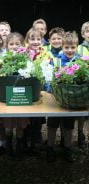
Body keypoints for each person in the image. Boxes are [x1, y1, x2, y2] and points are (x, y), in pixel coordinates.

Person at [46, 31, 79, 163]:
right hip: (56, 101)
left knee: (68, 126)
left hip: (71, 102)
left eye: (72, 47)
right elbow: (48, 80)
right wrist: (50, 89)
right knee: (52, 125)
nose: (69, 50)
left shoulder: (80, 61)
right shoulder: (57, 61)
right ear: (62, 47)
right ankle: (50, 149)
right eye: (66, 47)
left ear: (77, 47)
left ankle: (67, 149)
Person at [1, 32, 29, 159]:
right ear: (6, 46)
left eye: (17, 44)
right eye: (11, 44)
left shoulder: (26, 58)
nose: (14, 46)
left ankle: (19, 146)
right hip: (8, 97)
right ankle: (8, 145)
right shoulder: (3, 58)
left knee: (20, 124)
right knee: (8, 125)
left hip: (22, 97)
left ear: (22, 45)